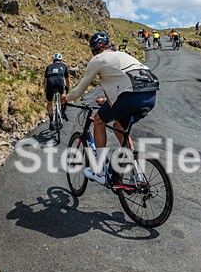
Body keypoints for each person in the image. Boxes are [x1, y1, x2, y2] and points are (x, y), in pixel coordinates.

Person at [61, 31, 158, 184]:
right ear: (109, 45)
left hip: (130, 96)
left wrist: (65, 99)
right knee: (120, 126)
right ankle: (137, 174)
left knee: (99, 120)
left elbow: (79, 90)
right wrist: (108, 100)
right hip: (150, 95)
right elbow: (124, 78)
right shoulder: (123, 55)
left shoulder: (98, 59)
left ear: (93, 50)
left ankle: (99, 171)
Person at [44, 52, 70, 131]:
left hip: (50, 83)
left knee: (49, 102)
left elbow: (45, 81)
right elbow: (67, 79)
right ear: (61, 60)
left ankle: (51, 120)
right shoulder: (64, 66)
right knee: (63, 95)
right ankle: (62, 111)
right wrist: (67, 87)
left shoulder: (48, 67)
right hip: (59, 83)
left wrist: (45, 89)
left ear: (53, 60)